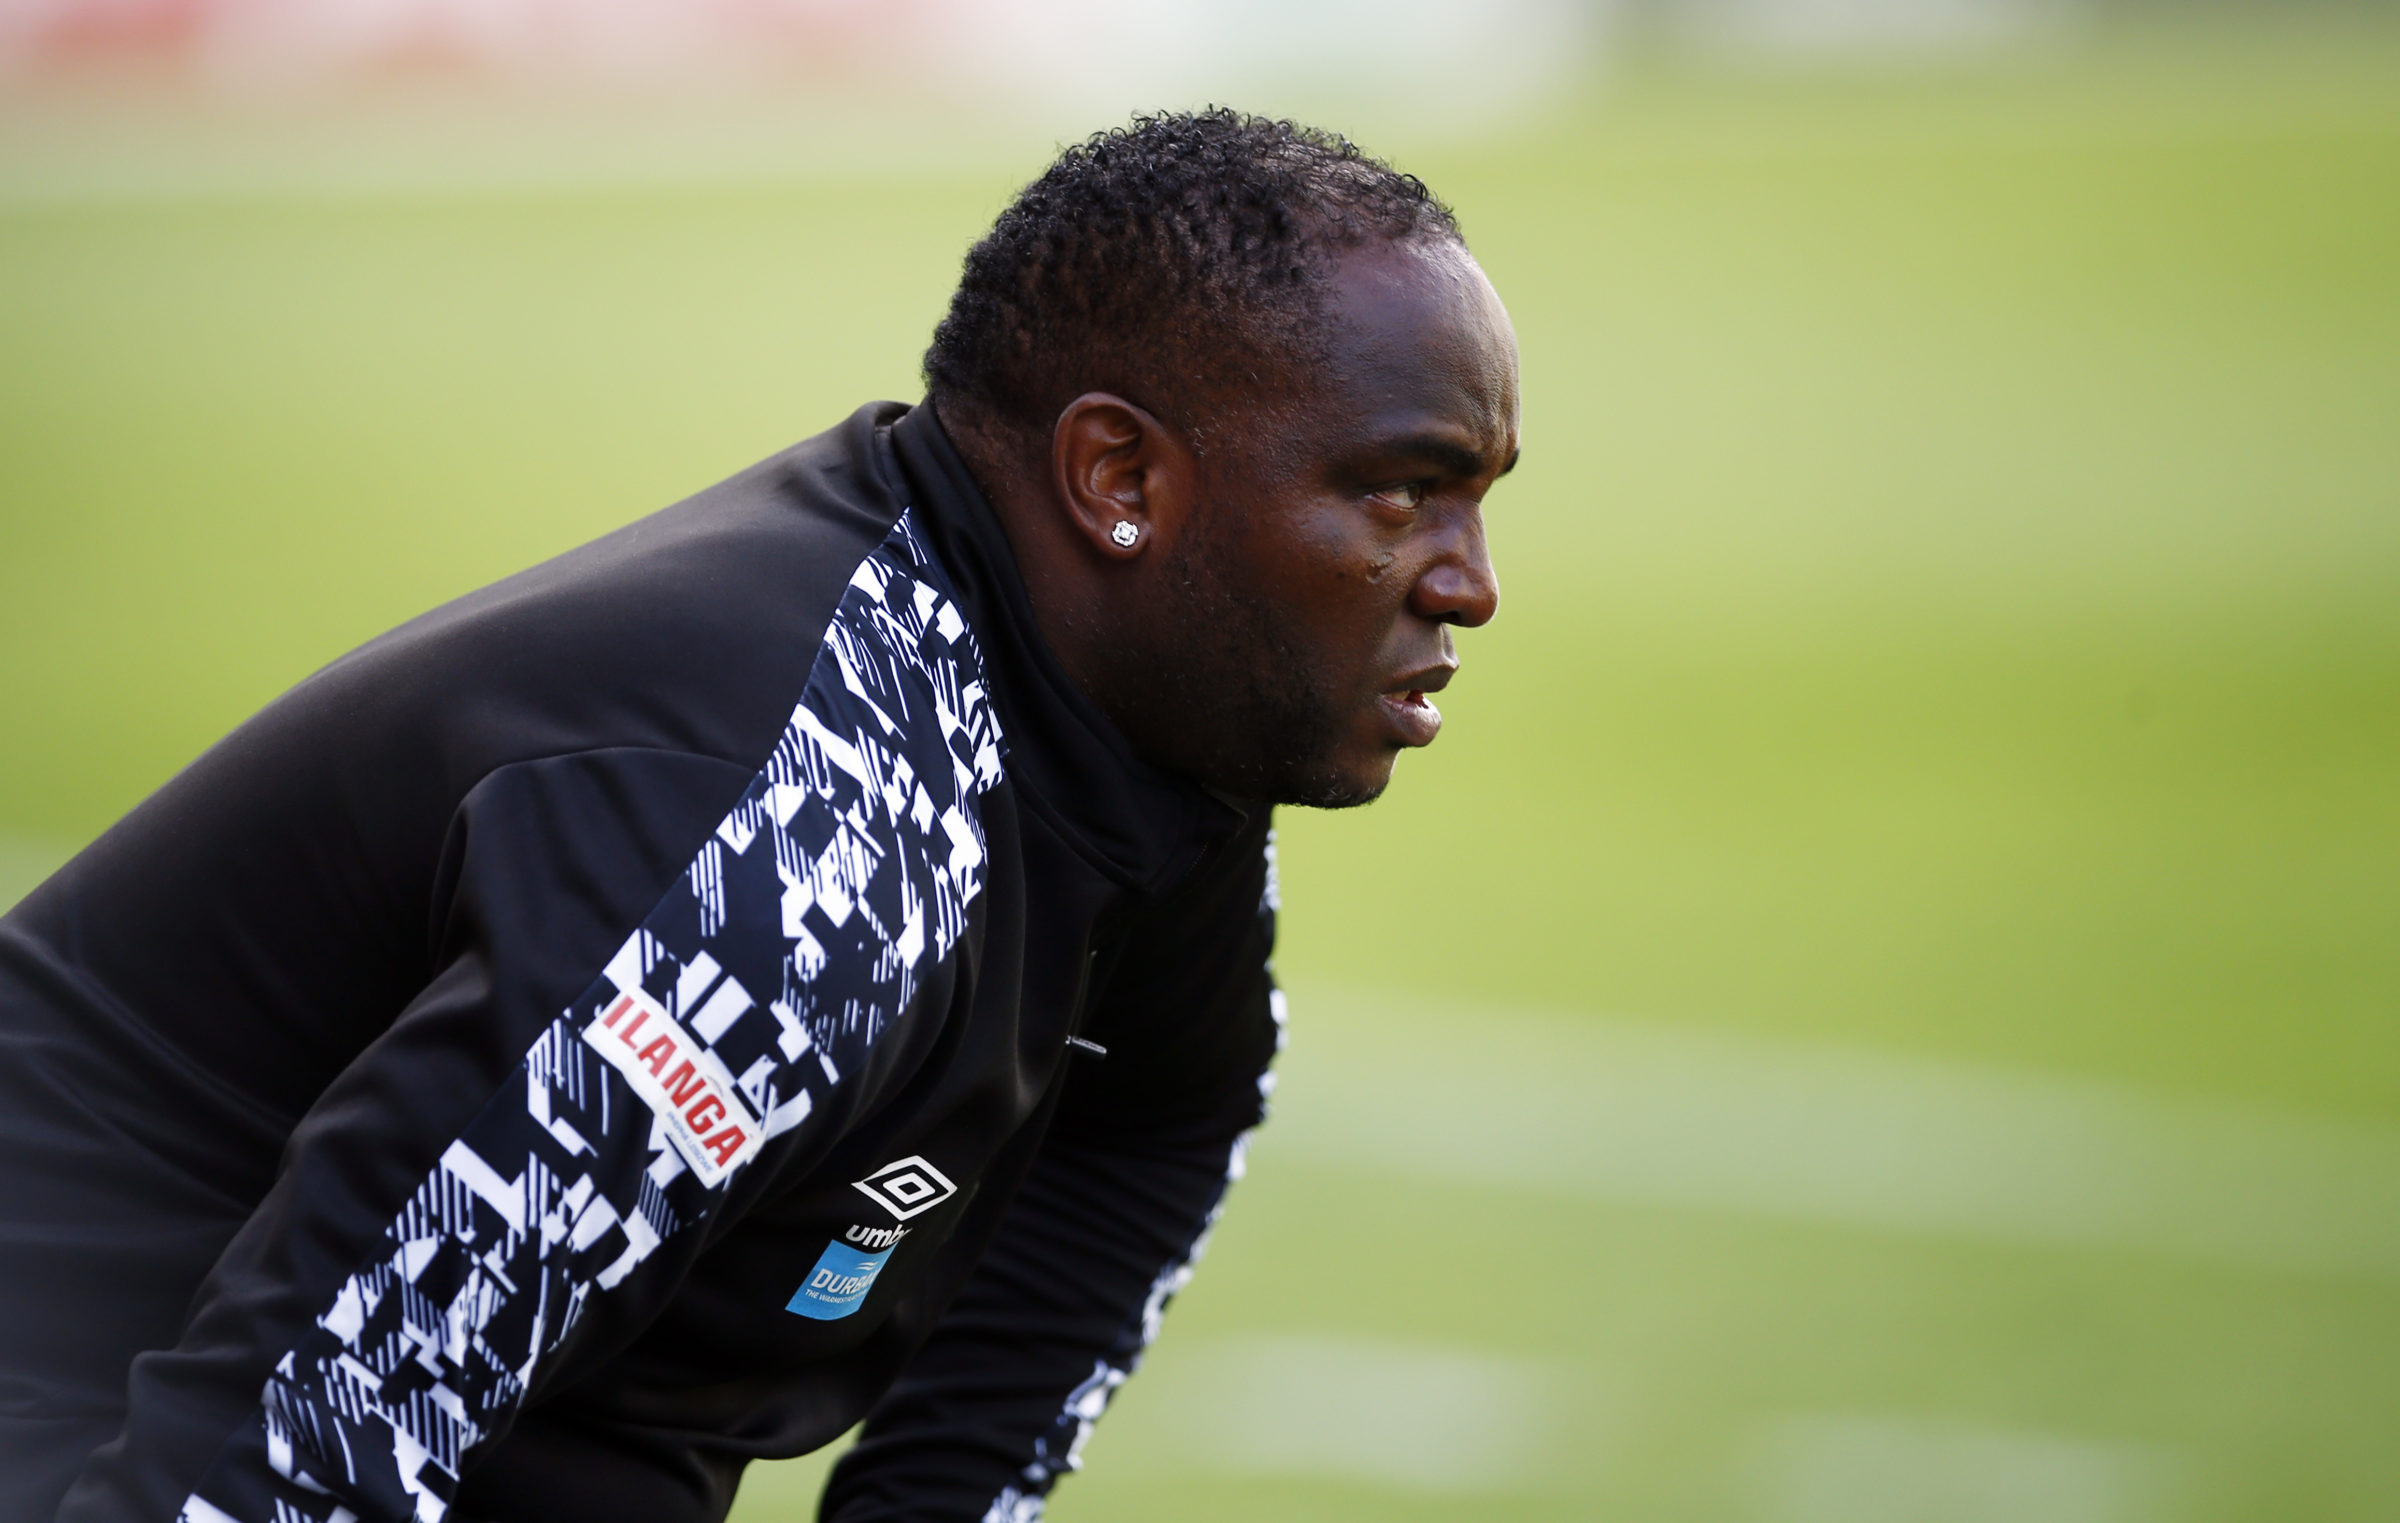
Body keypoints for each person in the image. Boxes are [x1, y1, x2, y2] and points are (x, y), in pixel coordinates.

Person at [0, 108, 1517, 1522]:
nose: (1471, 585)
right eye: (1402, 495)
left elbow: (1163, 1117)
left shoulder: (1134, 733)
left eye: (1480, 498)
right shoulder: (792, 861)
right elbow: (285, 1469)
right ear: (1118, 475)